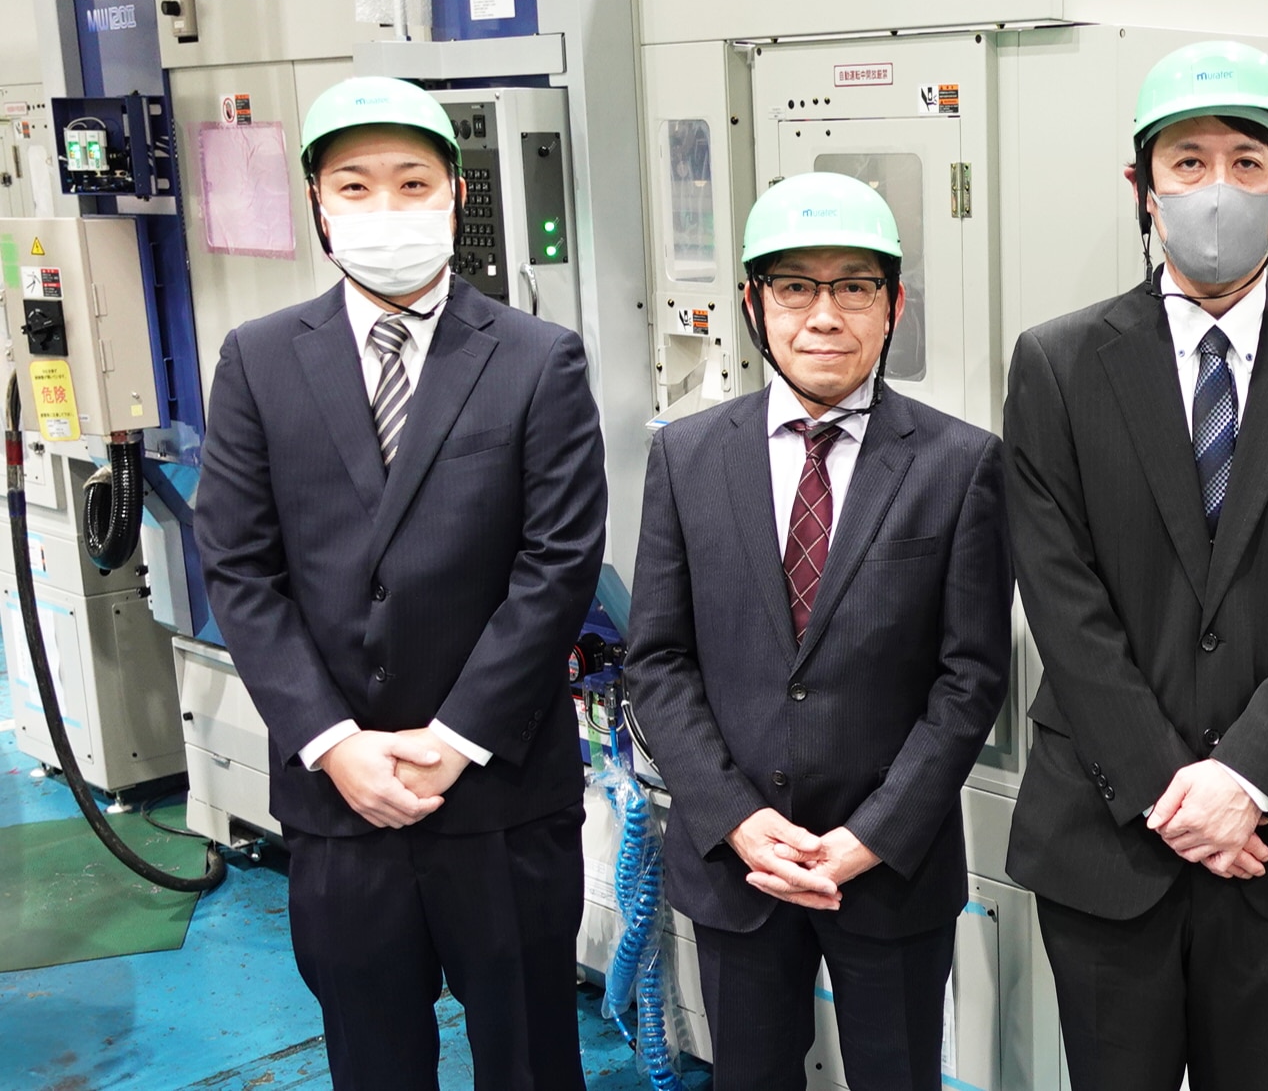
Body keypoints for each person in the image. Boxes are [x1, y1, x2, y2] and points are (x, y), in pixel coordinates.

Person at [1002, 41, 1268, 1090]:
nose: (1216, 189)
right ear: (1141, 187)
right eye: (1186, 162)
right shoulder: (1058, 364)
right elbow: (1062, 597)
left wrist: (1244, 780)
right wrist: (1171, 793)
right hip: (1107, 830)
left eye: (1246, 162)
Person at [198, 76, 607, 1091]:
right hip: (339, 800)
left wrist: (455, 739)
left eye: (412, 182)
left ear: (456, 196)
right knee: (371, 1058)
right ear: (317, 203)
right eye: (356, 184)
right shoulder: (258, 361)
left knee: (529, 1057)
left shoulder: (537, 359)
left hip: (499, 791)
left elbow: (557, 562)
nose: (385, 207)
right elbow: (241, 569)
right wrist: (333, 744)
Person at [626, 171, 1011, 1091]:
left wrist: (871, 835)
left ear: (894, 306)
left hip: (889, 867)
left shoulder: (958, 464)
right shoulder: (687, 456)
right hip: (738, 865)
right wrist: (736, 819)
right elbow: (658, 660)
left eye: (855, 287)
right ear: (754, 305)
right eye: (795, 287)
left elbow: (969, 678)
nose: (824, 316)